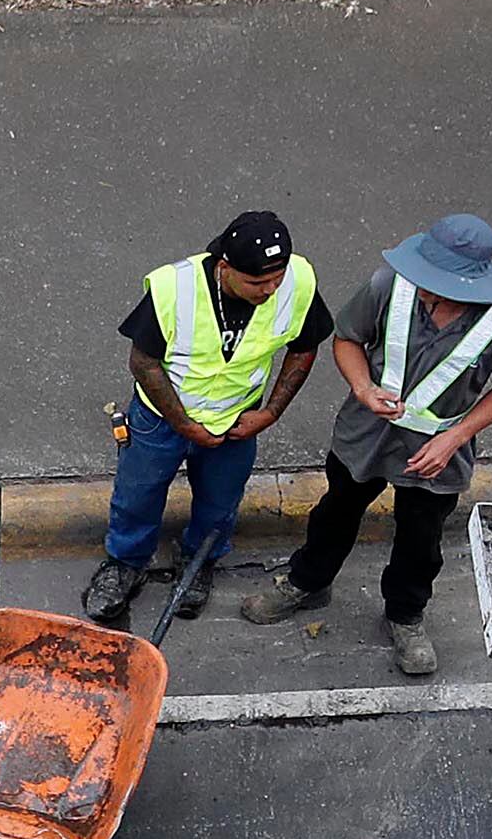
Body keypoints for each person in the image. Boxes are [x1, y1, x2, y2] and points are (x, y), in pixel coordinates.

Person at [240, 214, 492, 679]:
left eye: (437, 283)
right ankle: (308, 581)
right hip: (366, 434)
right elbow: (348, 340)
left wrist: (454, 438)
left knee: (422, 540)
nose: (424, 289)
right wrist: (362, 388)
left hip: (438, 451)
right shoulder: (388, 285)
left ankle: (405, 615)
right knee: (336, 511)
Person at [89, 210, 325, 622]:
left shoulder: (298, 280)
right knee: (137, 495)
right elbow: (144, 362)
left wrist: (270, 412)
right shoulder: (173, 288)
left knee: (219, 505)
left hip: (237, 422)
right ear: (225, 267)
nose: (270, 290)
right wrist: (182, 423)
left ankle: (198, 563)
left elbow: (304, 346)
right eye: (257, 282)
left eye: (276, 279)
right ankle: (125, 563)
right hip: (161, 418)